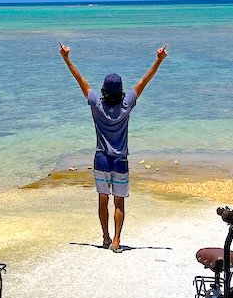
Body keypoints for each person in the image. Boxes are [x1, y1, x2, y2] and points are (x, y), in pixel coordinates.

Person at [58, 43, 168, 252]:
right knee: (119, 203)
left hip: (101, 159)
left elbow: (79, 79)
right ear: (121, 90)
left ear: (104, 90)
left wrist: (66, 58)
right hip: (120, 161)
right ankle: (117, 241)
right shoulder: (127, 104)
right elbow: (145, 81)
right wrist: (159, 60)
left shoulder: (95, 104)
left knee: (102, 200)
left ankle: (105, 237)